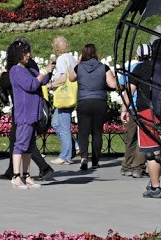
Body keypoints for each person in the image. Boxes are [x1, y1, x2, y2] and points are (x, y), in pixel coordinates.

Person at [0, 38, 55, 182]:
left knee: (29, 145)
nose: (29, 55)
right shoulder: (16, 70)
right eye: (26, 52)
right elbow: (31, 85)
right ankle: (16, 176)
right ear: (18, 54)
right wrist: (43, 72)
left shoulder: (27, 68)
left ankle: (26, 175)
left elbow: (42, 80)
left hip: (33, 112)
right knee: (20, 143)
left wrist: (49, 70)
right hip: (24, 112)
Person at [132, 37, 161, 199]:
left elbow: (130, 89)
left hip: (147, 111)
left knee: (152, 150)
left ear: (152, 51)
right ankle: (155, 180)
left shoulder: (143, 68)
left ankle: (155, 187)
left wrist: (125, 109)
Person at [68, 43, 117, 171]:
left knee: (83, 132)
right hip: (99, 102)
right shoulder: (104, 67)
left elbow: (71, 78)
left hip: (84, 102)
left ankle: (84, 157)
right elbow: (112, 85)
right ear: (95, 53)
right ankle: (95, 160)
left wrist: (78, 63)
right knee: (97, 132)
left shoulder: (79, 68)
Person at [118, 44, 149, 178]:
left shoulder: (131, 67)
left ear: (137, 55)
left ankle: (127, 166)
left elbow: (123, 88)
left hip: (131, 108)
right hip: (145, 108)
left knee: (130, 138)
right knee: (143, 139)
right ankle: (138, 167)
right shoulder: (151, 69)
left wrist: (123, 108)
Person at [47, 36, 78, 166]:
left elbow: (63, 78)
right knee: (55, 123)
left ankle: (65, 156)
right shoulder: (72, 58)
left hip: (64, 97)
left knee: (64, 127)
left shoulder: (61, 59)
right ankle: (75, 145)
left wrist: (50, 85)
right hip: (71, 95)